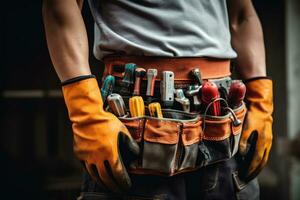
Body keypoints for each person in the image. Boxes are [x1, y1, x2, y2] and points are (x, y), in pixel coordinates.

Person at [42, 0, 273, 199]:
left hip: (225, 117)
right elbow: (60, 6)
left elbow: (242, 14)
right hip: (134, 116)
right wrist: (86, 113)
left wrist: (261, 99)